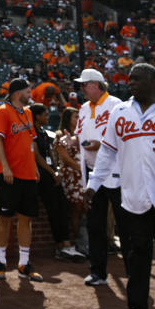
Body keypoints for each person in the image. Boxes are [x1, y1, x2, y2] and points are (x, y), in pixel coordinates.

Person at [86, 63, 155, 309]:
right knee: (137, 255)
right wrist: (93, 184)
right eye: (130, 80)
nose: (131, 83)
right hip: (133, 195)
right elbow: (107, 152)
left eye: (138, 79)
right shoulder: (120, 112)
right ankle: (137, 307)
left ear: (154, 83)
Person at [75, 67, 128, 286]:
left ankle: (134, 270)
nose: (82, 89)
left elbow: (122, 137)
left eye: (84, 85)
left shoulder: (116, 104)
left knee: (125, 225)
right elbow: (80, 135)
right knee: (95, 224)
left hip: (115, 171)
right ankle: (98, 271)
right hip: (92, 174)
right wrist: (71, 142)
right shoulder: (84, 108)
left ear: (96, 84)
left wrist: (101, 145)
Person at [0, 78, 43, 281]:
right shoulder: (3, 111)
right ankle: (1, 261)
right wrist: (5, 167)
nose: (30, 93)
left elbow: (31, 143)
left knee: (26, 218)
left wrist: (35, 167)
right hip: (10, 174)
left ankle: (23, 263)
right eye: (27, 90)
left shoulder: (28, 113)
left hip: (28, 174)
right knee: (4, 218)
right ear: (16, 93)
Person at [30, 103, 84, 260]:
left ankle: (66, 244)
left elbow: (50, 155)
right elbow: (37, 156)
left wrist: (56, 171)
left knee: (62, 208)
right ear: (37, 116)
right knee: (55, 210)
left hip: (53, 175)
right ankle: (62, 246)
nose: (48, 117)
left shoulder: (44, 132)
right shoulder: (32, 132)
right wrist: (53, 172)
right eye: (44, 114)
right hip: (43, 176)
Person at [55, 107, 87, 257]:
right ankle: (76, 242)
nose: (78, 119)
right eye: (76, 117)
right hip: (71, 176)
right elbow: (64, 157)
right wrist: (81, 169)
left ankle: (83, 242)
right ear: (68, 118)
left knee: (84, 208)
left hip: (82, 176)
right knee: (76, 208)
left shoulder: (81, 135)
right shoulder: (60, 134)